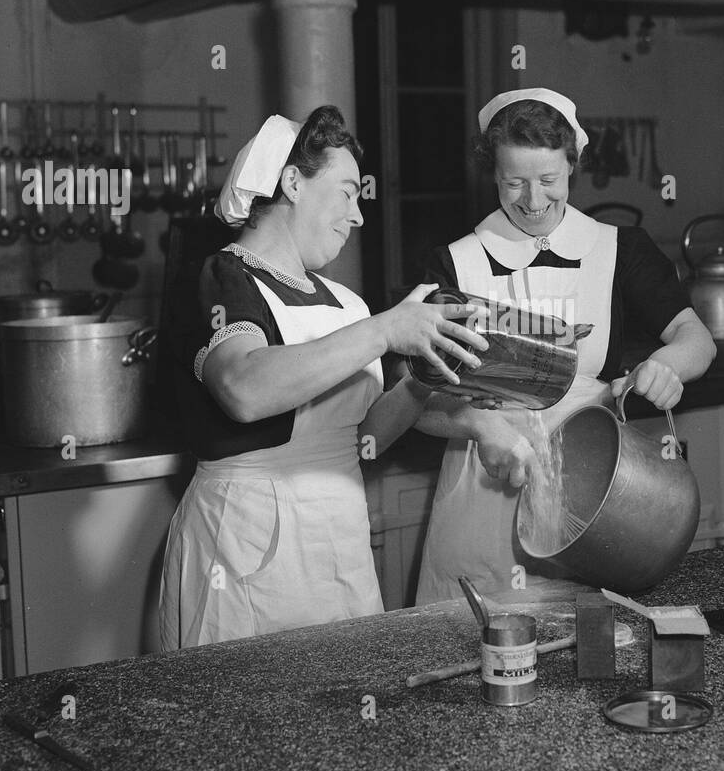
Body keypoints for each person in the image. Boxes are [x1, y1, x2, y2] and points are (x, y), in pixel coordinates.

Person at [159, 106, 488, 649]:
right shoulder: (221, 278)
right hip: (246, 545)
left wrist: (424, 376)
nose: (358, 216)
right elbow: (244, 388)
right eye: (347, 193)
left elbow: (364, 439)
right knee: (251, 698)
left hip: (338, 544)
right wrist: (384, 331)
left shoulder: (346, 303)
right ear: (293, 182)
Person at [412, 88, 716, 605]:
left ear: (573, 164)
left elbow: (697, 340)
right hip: (483, 486)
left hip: (595, 489)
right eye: (514, 182)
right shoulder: (455, 264)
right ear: (493, 173)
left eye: (549, 180)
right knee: (477, 636)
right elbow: (413, 394)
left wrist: (665, 366)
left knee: (587, 634)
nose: (533, 201)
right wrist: (475, 424)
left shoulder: (619, 250)